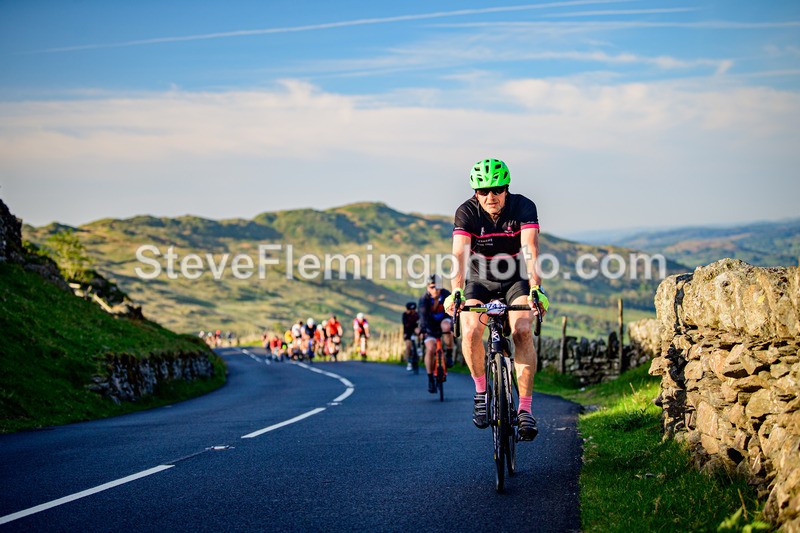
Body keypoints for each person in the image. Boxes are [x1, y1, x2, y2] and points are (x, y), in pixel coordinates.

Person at [445, 158, 550, 441]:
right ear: (475, 193)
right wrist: (456, 291)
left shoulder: (523, 207)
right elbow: (459, 255)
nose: (490, 197)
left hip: (515, 279)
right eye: (483, 191)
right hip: (478, 281)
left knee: (522, 331)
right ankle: (481, 392)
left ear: (507, 189)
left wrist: (536, 287)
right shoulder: (466, 212)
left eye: (497, 189)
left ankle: (525, 410)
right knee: (470, 332)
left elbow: (530, 247)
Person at [419, 274, 454, 393]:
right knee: (431, 348)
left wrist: (454, 327)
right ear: (428, 288)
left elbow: (453, 312)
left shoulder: (446, 294)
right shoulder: (424, 299)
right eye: (433, 287)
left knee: (447, 326)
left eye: (438, 287)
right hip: (430, 326)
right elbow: (422, 316)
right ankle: (430, 379)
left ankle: (449, 354)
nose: (436, 290)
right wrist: (423, 330)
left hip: (443, 320)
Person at [402, 302, 420, 373]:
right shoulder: (405, 314)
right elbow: (405, 324)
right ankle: (409, 361)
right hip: (408, 332)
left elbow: (420, 323)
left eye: (414, 309)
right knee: (408, 346)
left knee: (420, 333)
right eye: (411, 309)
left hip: (415, 331)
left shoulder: (417, 314)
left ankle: (419, 347)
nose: (413, 311)